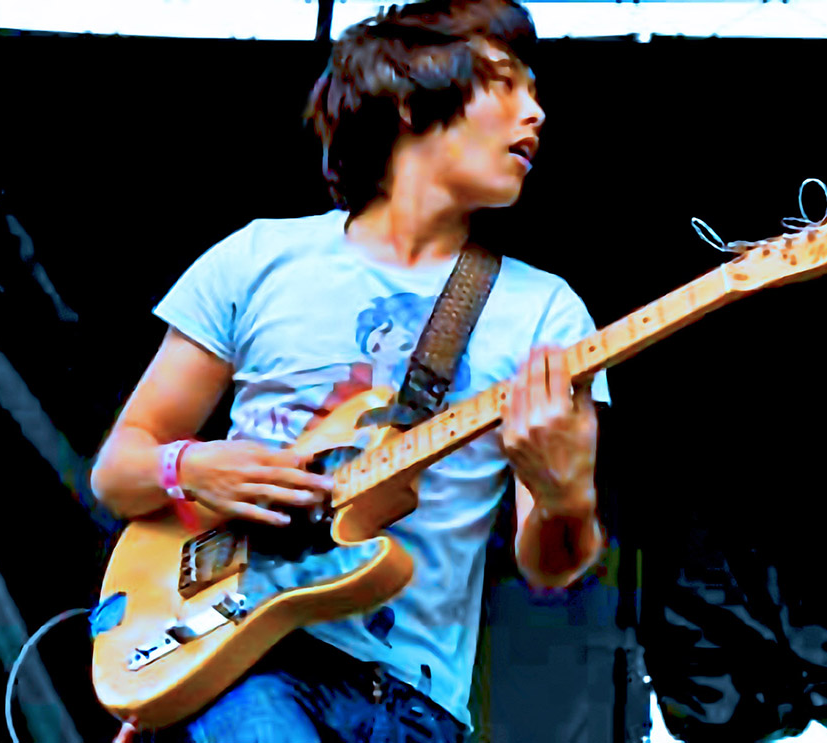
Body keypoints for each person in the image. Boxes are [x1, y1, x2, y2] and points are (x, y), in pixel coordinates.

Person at [90, 1, 612, 740]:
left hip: (420, 702)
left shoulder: (547, 312)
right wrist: (192, 467)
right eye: (505, 83)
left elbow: (552, 567)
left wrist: (565, 495)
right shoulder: (257, 258)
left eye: (536, 90)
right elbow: (118, 471)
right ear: (408, 99)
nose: (537, 111)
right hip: (246, 662)